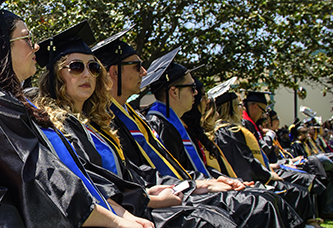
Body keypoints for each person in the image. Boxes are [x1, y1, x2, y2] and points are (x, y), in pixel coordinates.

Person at [0, 1, 150, 227]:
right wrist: (115, 222)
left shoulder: (16, 102)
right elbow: (39, 177)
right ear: (2, 47)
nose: (36, 47)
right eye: (27, 39)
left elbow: (76, 171)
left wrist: (121, 213)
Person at [33, 20, 236, 227]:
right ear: (56, 75)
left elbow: (130, 173)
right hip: (112, 216)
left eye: (93, 67)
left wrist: (184, 186)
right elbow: (88, 186)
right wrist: (148, 198)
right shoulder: (55, 126)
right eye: (76, 67)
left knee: (230, 209)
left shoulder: (92, 124)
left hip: (134, 206)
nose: (87, 74)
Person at [94, 28, 304, 227]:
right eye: (137, 65)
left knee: (260, 200)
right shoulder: (108, 121)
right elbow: (132, 176)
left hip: (167, 191)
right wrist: (195, 185)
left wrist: (203, 181)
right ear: (114, 72)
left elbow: (155, 170)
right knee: (252, 207)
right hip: (146, 203)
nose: (144, 71)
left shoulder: (133, 119)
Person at [212, 91, 319, 227]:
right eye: (239, 105)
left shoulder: (229, 130)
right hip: (248, 180)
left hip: (254, 176)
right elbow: (245, 163)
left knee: (299, 185)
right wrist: (268, 175)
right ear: (230, 107)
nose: (243, 108)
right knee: (292, 192)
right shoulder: (227, 132)